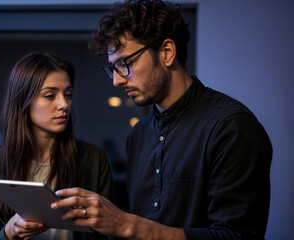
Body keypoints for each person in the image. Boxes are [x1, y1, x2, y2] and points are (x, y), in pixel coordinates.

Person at [50, 0, 273, 239]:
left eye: (126, 63)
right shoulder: (138, 135)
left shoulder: (232, 126)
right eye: (112, 68)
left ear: (167, 52)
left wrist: (128, 225)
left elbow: (237, 236)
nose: (116, 81)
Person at [0, 52, 115, 240]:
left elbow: (110, 233)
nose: (64, 104)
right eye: (49, 95)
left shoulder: (93, 159)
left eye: (68, 95)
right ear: (23, 101)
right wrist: (8, 233)